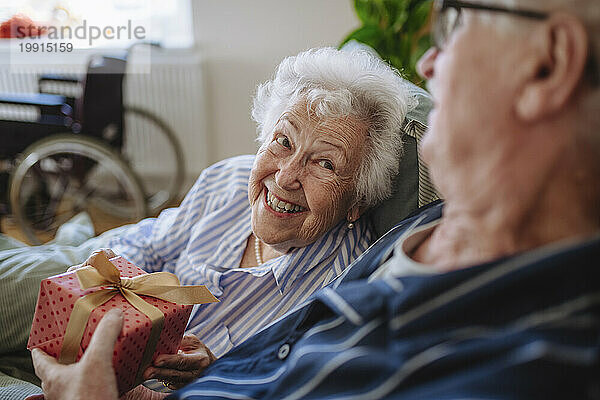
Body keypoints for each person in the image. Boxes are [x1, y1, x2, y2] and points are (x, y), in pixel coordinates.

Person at [31, 0, 600, 398]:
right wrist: (83, 275)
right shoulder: (419, 230)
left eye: (325, 163)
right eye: (281, 142)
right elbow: (145, 243)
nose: (286, 176)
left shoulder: (356, 270)